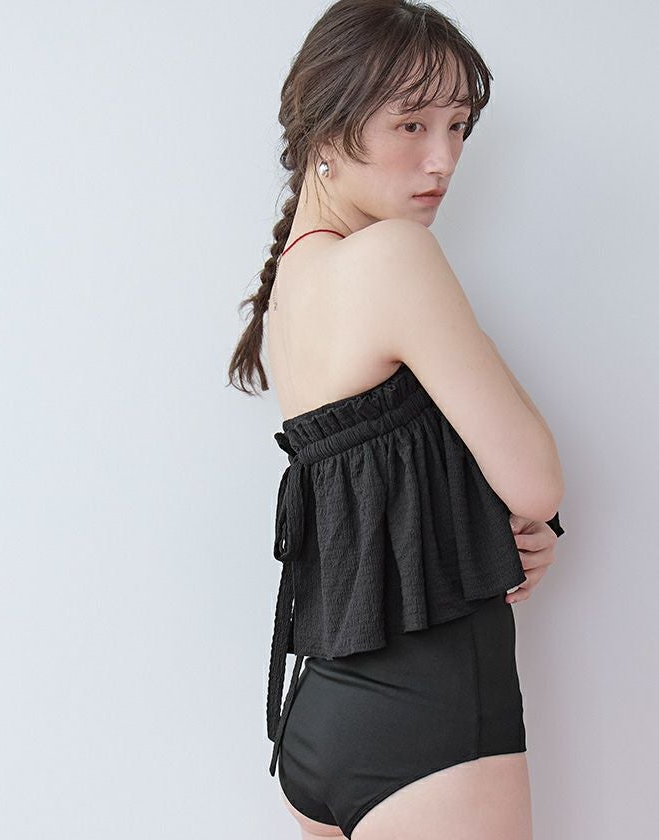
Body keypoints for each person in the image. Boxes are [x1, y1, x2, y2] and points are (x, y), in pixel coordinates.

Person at [227, 1, 566, 838]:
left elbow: (385, 489)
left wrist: (490, 522)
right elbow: (535, 482)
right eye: (411, 124)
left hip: (319, 724)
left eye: (458, 127)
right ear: (325, 127)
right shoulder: (393, 256)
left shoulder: (289, 293)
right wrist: (524, 517)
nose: (442, 159)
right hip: (430, 726)